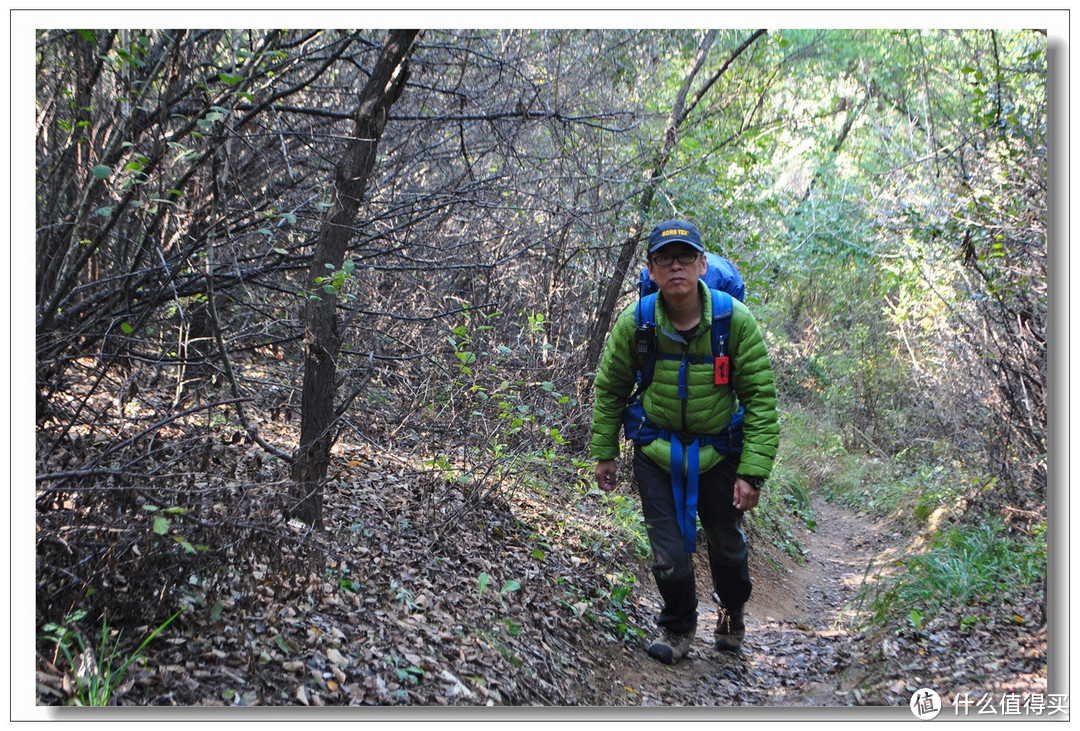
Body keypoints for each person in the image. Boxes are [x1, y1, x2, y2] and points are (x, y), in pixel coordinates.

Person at [590, 219, 779, 665]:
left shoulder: (734, 322)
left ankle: (732, 612)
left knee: (726, 545)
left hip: (720, 453)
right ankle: (677, 627)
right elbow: (611, 387)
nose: (676, 266)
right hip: (656, 451)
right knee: (667, 551)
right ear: (652, 270)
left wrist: (752, 473)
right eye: (664, 258)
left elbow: (761, 401)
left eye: (685, 257)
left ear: (702, 263)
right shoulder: (636, 323)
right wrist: (605, 453)